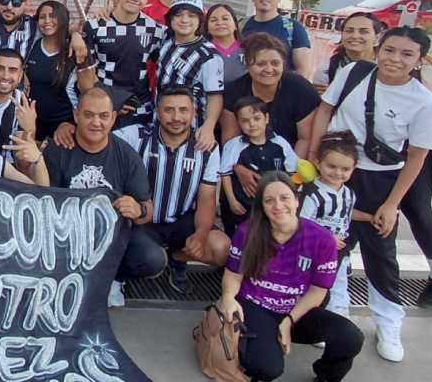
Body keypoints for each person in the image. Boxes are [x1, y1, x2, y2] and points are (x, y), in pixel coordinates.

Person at [308, 27, 432, 361]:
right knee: (330, 245)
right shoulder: (355, 72)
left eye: (406, 54)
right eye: (390, 50)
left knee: (380, 251)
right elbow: (325, 109)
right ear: (378, 49)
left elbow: (417, 156)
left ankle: (388, 321)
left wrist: (392, 204)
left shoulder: (423, 101)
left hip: (380, 180)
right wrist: (313, 155)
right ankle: (335, 309)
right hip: (335, 171)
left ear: (419, 61)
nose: (395, 59)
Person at [218, 172, 363, 382]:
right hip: (257, 305)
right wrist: (228, 298)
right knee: (266, 370)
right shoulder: (247, 232)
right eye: (269, 201)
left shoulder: (322, 239)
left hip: (298, 308)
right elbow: (233, 275)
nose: (278, 206)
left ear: (297, 200)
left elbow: (319, 291)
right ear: (262, 207)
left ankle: (328, 378)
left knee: (350, 337)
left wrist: (289, 321)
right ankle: (253, 343)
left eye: (284, 198)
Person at [42, 87, 157, 307]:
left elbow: (147, 209)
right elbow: (44, 204)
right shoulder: (58, 149)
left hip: (111, 238)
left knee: (151, 256)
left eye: (104, 116)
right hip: (68, 235)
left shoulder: (127, 155)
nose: (96, 122)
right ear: (76, 115)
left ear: (113, 117)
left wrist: (138, 209)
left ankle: (114, 280)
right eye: (89, 115)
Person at [113, 87, 228, 295]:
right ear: (157, 111)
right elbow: (97, 135)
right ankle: (119, 277)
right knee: (150, 259)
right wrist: (66, 128)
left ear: (193, 111)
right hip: (141, 223)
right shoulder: (135, 136)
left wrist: (200, 235)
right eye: (169, 110)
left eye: (183, 110)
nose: (177, 117)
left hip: (180, 221)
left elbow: (207, 198)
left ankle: (178, 257)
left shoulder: (206, 146)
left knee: (221, 248)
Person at [220, 33, 318, 197]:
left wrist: (287, 177)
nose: (268, 69)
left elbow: (305, 138)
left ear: (284, 64)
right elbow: (230, 139)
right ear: (248, 65)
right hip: (245, 164)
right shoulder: (234, 91)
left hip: (286, 164)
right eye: (260, 64)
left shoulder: (300, 89)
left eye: (275, 63)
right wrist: (238, 168)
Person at [299, 133, 369, 318]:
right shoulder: (312, 193)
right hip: (312, 251)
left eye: (345, 169)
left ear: (354, 169)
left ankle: (338, 320)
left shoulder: (348, 193)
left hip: (338, 251)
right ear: (318, 162)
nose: (338, 173)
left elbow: (347, 213)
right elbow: (302, 223)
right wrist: (327, 238)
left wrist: (370, 218)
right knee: (312, 288)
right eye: (331, 166)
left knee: (338, 285)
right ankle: (312, 323)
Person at [80, 0, 165, 128]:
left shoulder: (157, 31)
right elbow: (87, 75)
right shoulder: (93, 27)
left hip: (141, 110)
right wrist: (74, 33)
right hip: (104, 109)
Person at [219, 96, 298, 237]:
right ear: (238, 122)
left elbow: (291, 173)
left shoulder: (280, 143)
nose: (252, 124)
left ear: (266, 118)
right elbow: (225, 174)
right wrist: (232, 201)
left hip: (272, 205)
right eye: (245, 121)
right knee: (241, 237)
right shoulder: (234, 145)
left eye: (257, 118)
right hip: (243, 205)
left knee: (269, 237)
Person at [155, 0, 222, 151]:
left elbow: (215, 96)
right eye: (178, 15)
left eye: (191, 15)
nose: (184, 20)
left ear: (200, 20)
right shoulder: (165, 39)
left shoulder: (209, 55)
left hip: (192, 131)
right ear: (171, 19)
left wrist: (208, 127)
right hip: (159, 125)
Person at [26, 1, 97, 140]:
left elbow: (88, 89)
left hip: (64, 127)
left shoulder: (75, 49)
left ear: (63, 18)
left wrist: (75, 36)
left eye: (53, 16)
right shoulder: (32, 46)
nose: (47, 21)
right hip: (34, 124)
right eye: (42, 17)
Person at [240, 0, 313, 80]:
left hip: (282, 89)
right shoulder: (242, 25)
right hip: (246, 89)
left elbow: (303, 71)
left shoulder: (293, 28)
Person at [312, 12, 383, 93]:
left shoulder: (385, 68)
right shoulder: (327, 69)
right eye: (349, 31)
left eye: (363, 32)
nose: (355, 36)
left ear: (376, 38)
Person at [204, 4, 246, 85]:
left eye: (225, 19)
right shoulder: (202, 51)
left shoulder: (248, 49)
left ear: (235, 25)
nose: (219, 23)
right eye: (213, 20)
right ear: (207, 28)